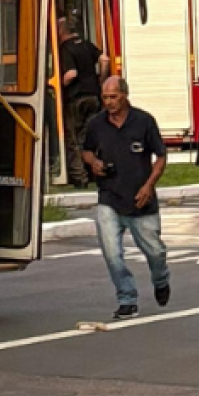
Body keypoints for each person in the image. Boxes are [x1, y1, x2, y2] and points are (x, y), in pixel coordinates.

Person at [80, 74, 171, 321]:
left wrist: (149, 186)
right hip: (109, 198)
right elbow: (86, 151)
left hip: (141, 200)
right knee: (112, 253)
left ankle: (161, 280)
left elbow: (160, 157)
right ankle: (127, 299)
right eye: (105, 97)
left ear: (125, 95)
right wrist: (94, 163)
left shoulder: (144, 122)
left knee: (155, 252)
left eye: (113, 97)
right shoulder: (96, 124)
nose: (108, 102)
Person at [58, 17, 108, 185]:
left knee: (74, 140)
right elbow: (104, 59)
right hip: (93, 95)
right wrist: (101, 79)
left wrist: (58, 86)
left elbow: (71, 74)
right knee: (90, 136)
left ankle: (80, 177)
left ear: (60, 31)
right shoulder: (86, 44)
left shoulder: (65, 48)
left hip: (76, 98)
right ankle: (95, 172)